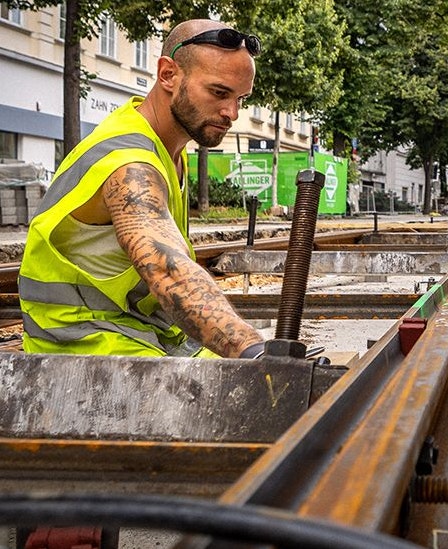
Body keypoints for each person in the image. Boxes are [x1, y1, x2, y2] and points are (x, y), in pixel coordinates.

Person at [19, 19, 265, 359]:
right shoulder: (129, 164)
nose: (232, 113)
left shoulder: (167, 149)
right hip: (83, 344)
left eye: (241, 98)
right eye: (219, 92)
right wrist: (250, 350)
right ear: (167, 75)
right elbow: (168, 271)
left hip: (142, 331)